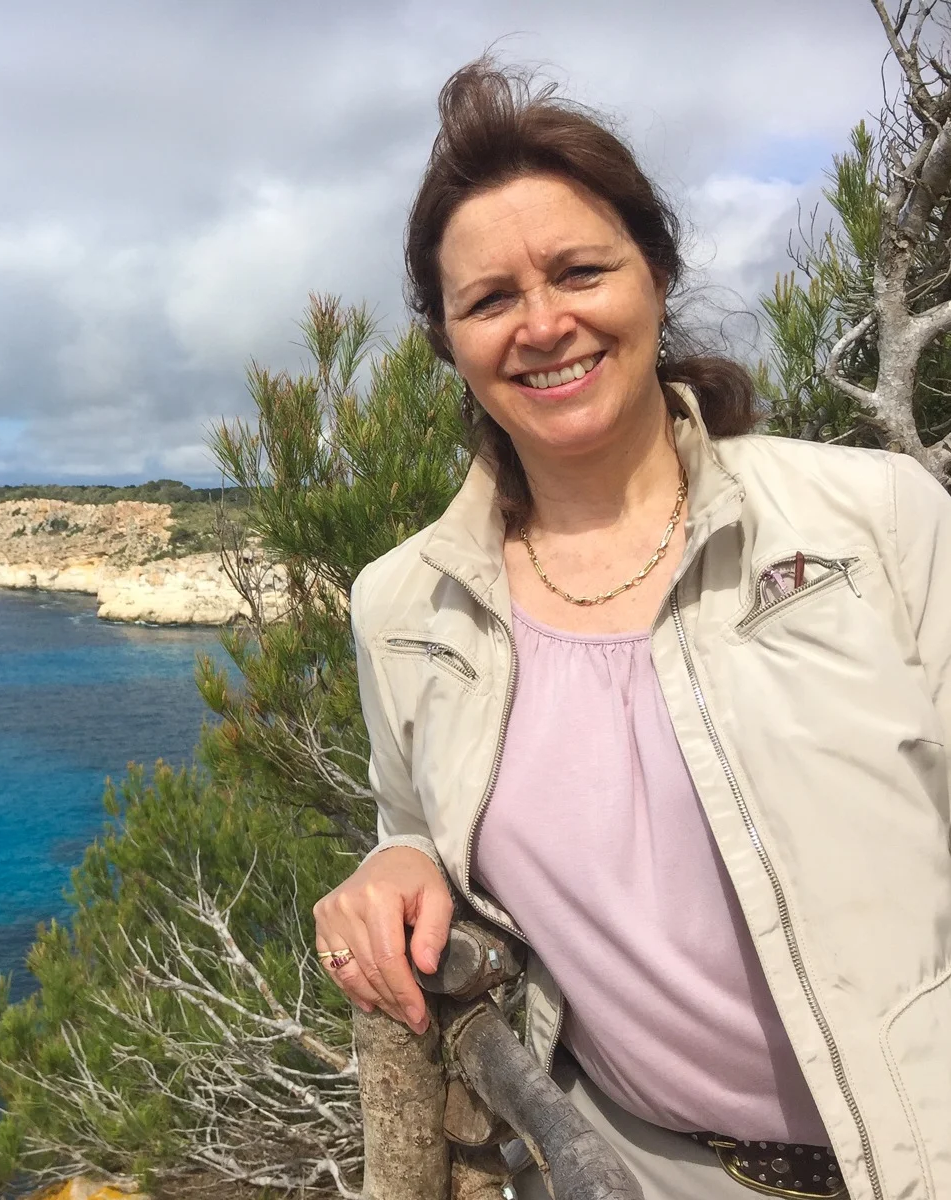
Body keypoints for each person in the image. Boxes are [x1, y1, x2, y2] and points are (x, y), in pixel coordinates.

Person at [313, 59, 951, 1200]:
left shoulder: (878, 519)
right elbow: (413, 810)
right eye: (490, 299)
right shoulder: (403, 605)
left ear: (654, 273)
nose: (543, 324)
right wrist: (394, 858)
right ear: (448, 340)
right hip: (633, 1170)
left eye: (579, 271)